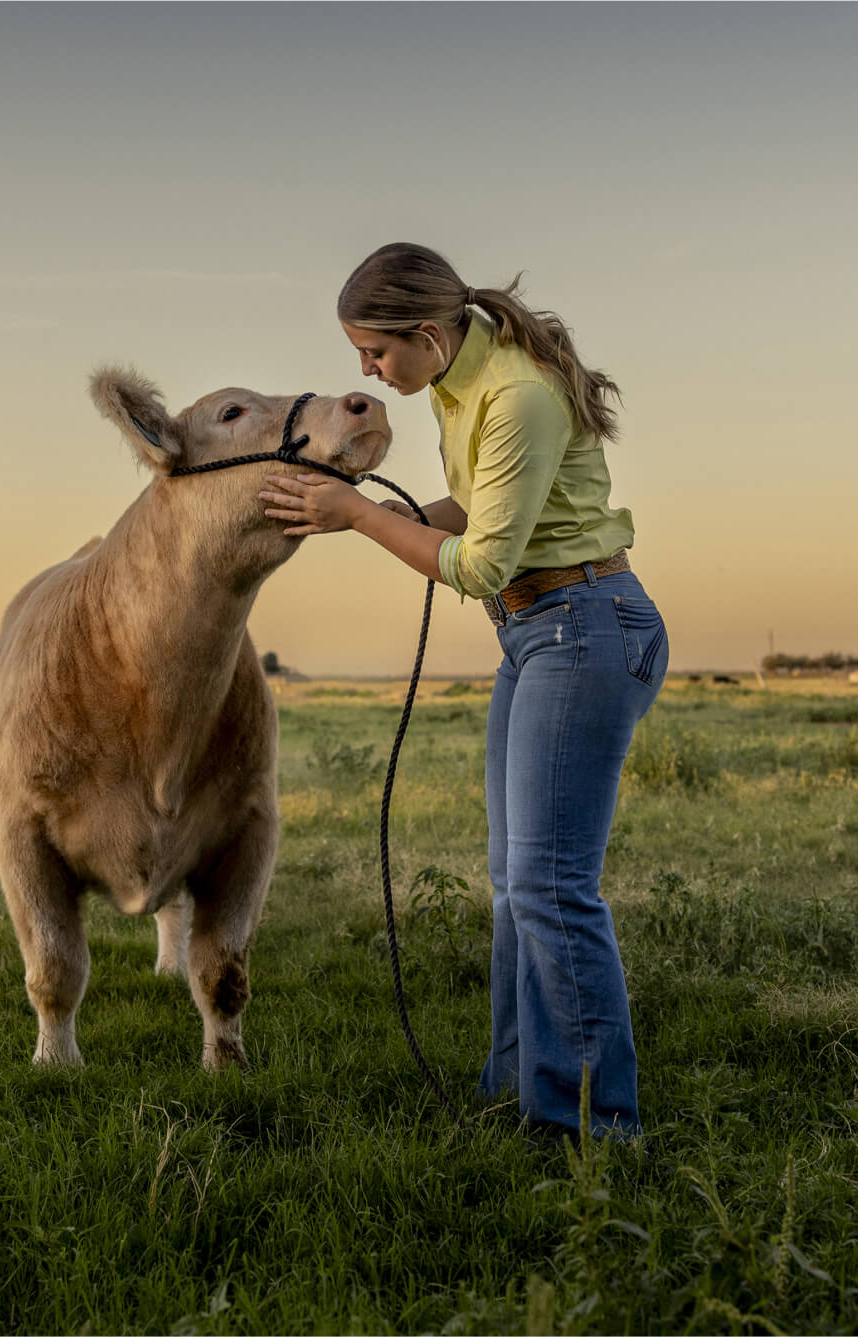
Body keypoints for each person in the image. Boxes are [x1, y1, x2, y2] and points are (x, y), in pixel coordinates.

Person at [259, 242, 668, 1138]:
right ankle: (521, 1090)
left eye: (375, 350)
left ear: (428, 332)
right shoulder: (457, 383)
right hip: (538, 631)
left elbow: (480, 564)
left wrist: (360, 517)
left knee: (552, 886)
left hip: (584, 625)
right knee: (516, 882)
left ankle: (593, 1129)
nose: (367, 370)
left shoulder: (517, 395)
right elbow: (483, 508)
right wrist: (375, 515)